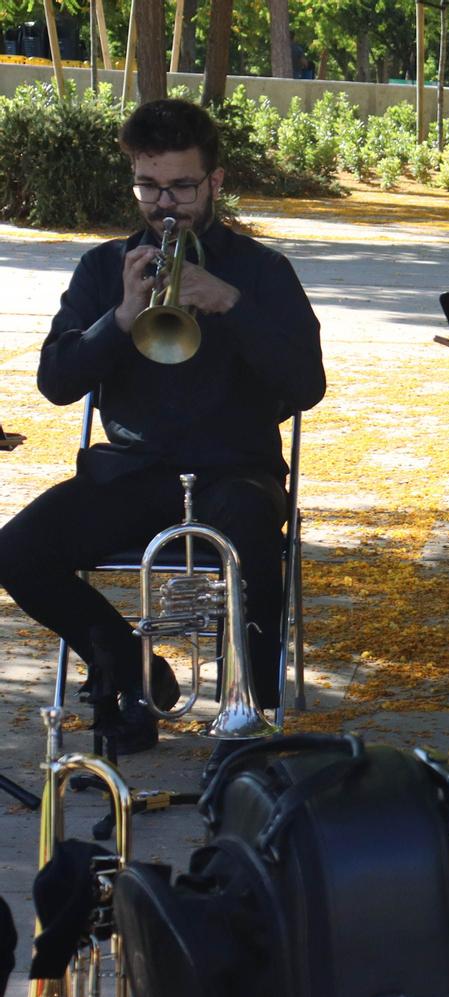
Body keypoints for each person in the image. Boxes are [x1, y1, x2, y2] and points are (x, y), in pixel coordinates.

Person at [8, 98, 324, 758]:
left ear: (214, 181)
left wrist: (229, 305)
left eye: (181, 185)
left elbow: (306, 385)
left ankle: (253, 717)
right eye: (148, 186)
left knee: (251, 541)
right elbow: (56, 382)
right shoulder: (104, 270)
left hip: (235, 471)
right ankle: (131, 668)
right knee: (15, 551)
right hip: (130, 471)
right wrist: (119, 318)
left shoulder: (261, 272)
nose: (164, 204)